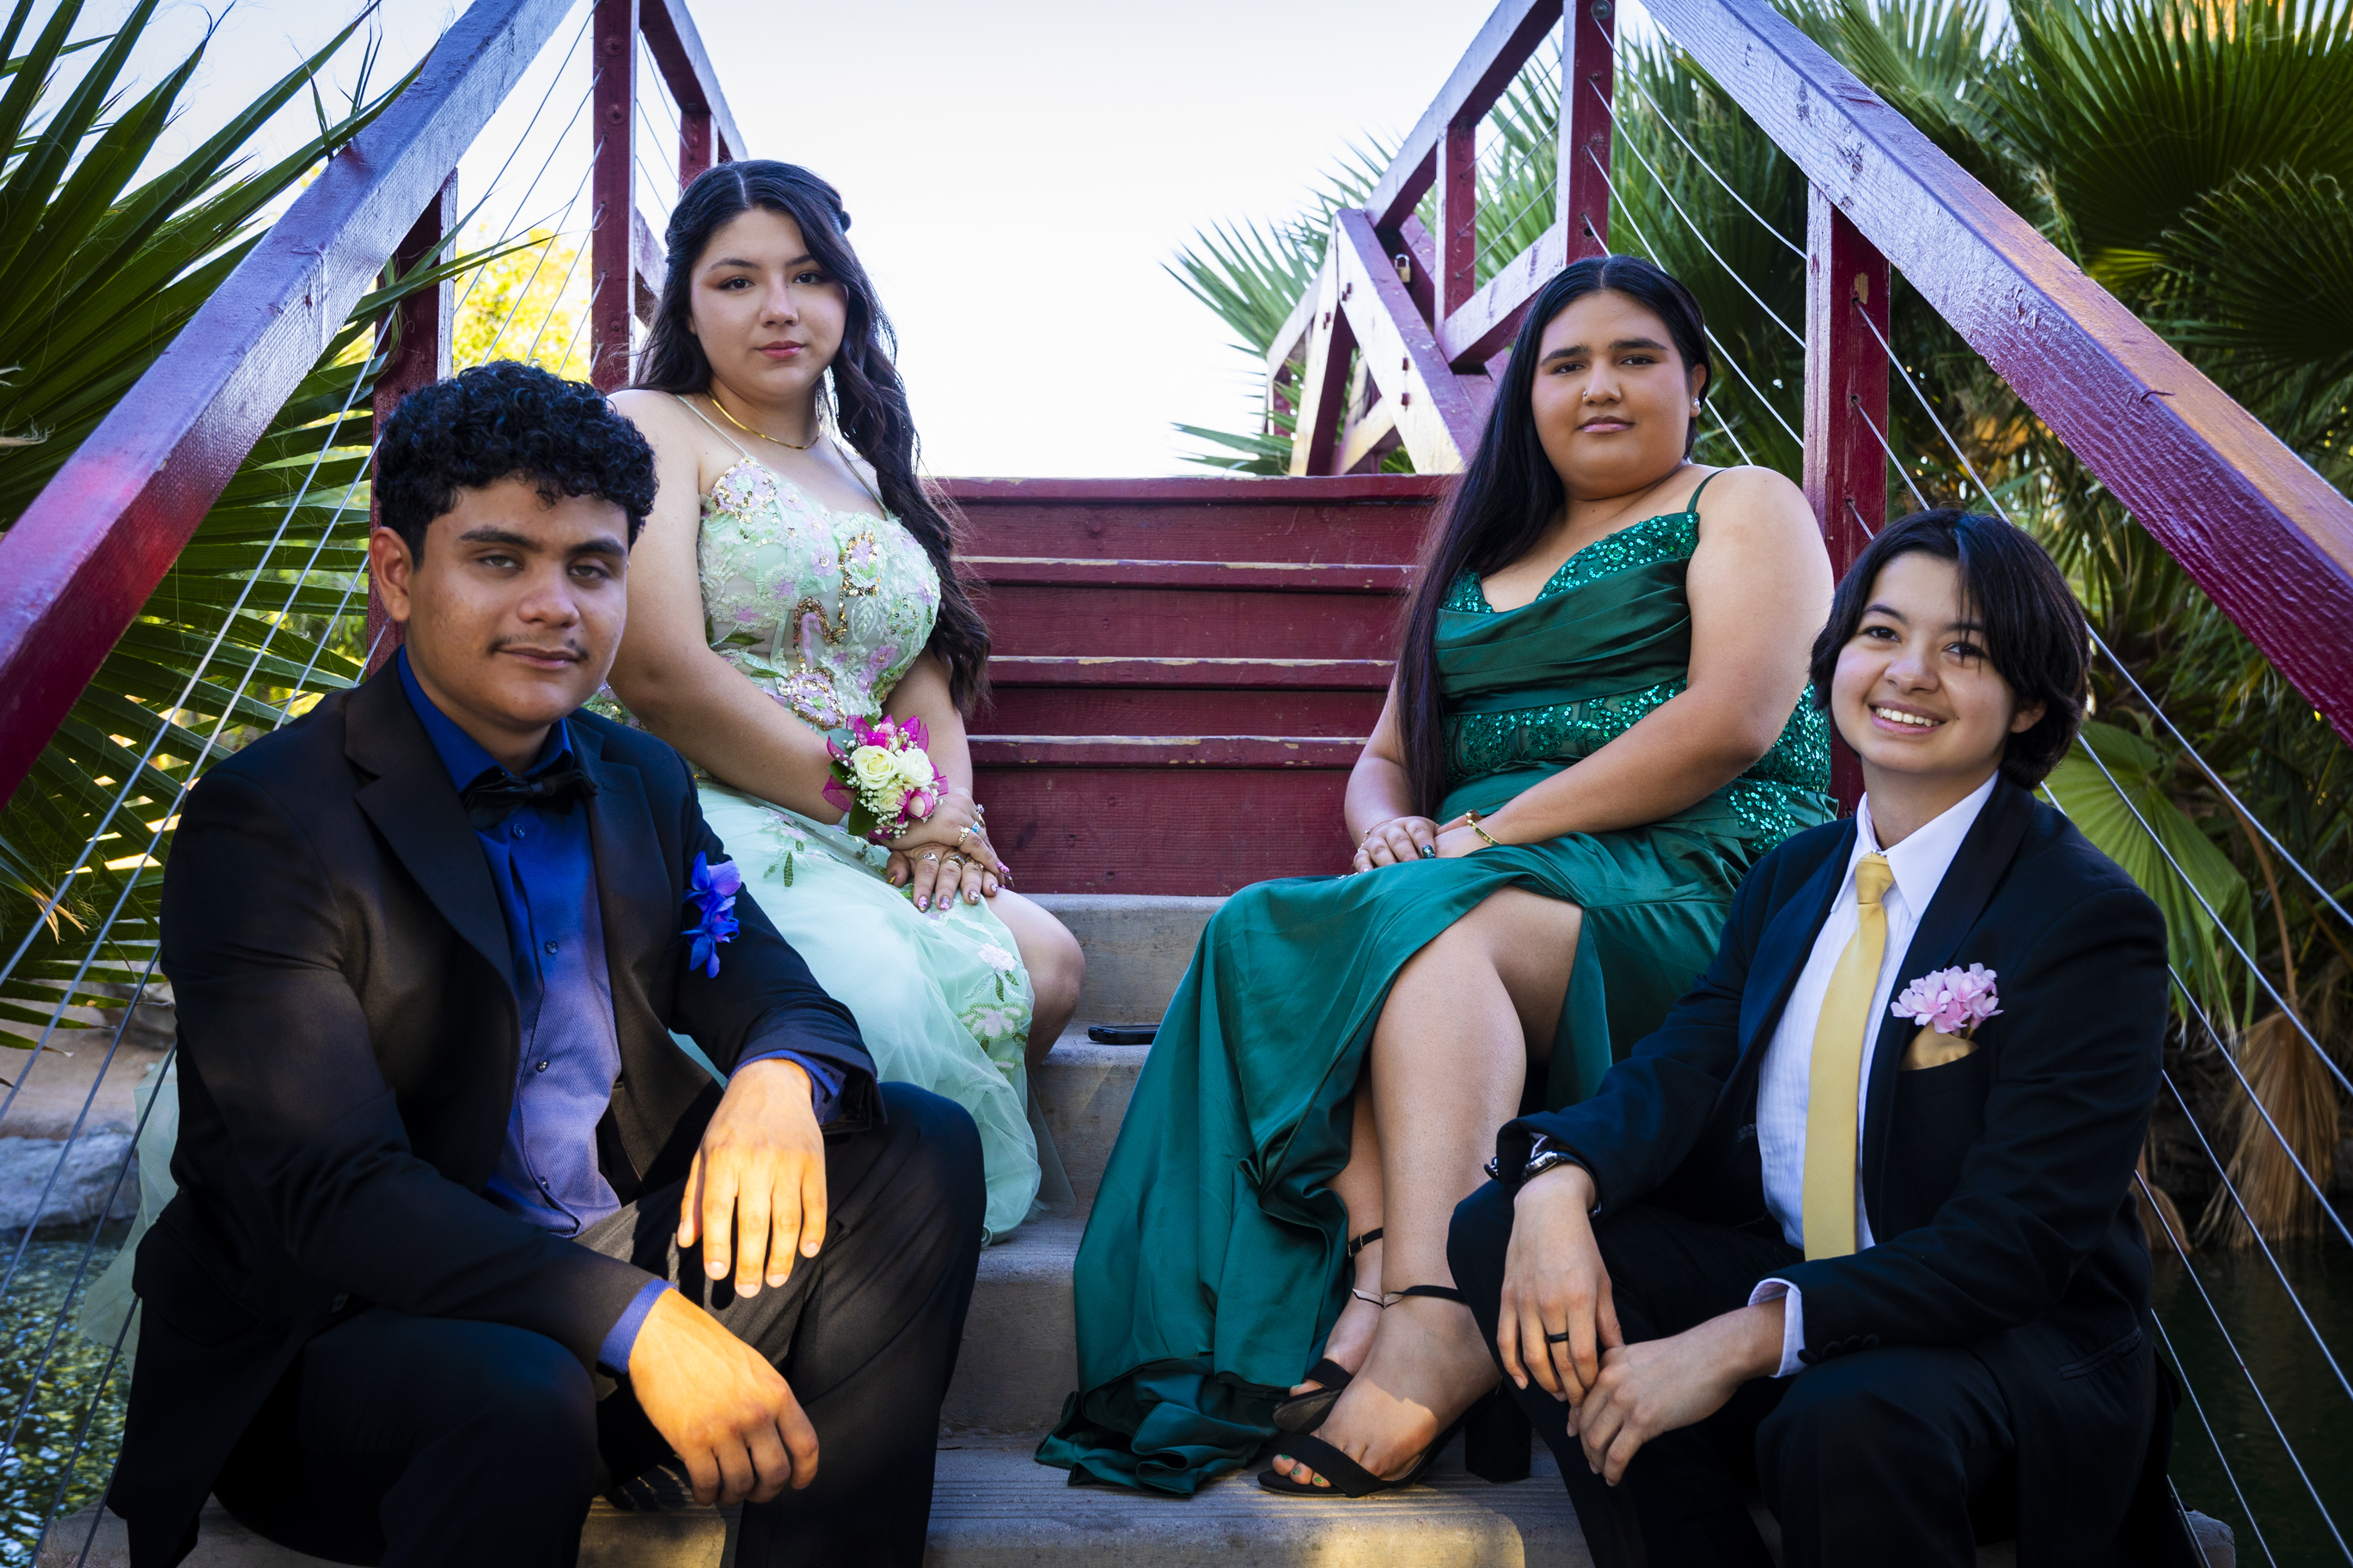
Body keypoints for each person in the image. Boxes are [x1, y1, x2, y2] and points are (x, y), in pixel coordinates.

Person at [112, 362, 985, 1568]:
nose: (554, 607)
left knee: (920, 1145)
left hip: (596, 1269)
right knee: (520, 1391)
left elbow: (774, 988)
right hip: (352, 1337)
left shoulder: (639, 779)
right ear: (398, 574)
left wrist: (777, 1073)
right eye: (500, 559)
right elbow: (336, 1193)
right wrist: (640, 1322)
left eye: (591, 567)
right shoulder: (266, 820)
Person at [1039, 255, 1837, 1495]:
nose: (1600, 386)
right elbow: (1384, 762)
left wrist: (1490, 832)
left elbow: (1730, 719)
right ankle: (1377, 1263)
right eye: (1565, 365)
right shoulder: (1477, 557)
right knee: (1258, 926)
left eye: (1635, 358)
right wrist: (1386, 830)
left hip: (1691, 874)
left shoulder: (1742, 502)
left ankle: (1439, 1313)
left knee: (1429, 933)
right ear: (1527, 397)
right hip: (1484, 872)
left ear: (1695, 382)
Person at [1449, 509, 2197, 1565]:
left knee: (1843, 1418)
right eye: (1880, 633)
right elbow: (1679, 1066)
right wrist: (1554, 1181)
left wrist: (1742, 1337)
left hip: (2003, 1345)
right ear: (1837, 655)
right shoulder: (1792, 877)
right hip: (1806, 1292)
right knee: (1499, 1225)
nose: (1909, 673)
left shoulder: (2084, 919)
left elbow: (2014, 1245)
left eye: (1964, 649)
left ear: (2028, 700)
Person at [605, 161, 1082, 1245]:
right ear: (685, 302)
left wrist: (945, 823)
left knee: (1048, 962)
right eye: (737, 280)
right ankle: (818, 1244)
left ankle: (893, 1211)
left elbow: (921, 680)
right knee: (876, 986)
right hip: (712, 804)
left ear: (847, 295)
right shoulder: (653, 424)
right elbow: (660, 671)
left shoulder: (867, 471)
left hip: (874, 816)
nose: (779, 307)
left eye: (809, 275)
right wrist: (889, 811)